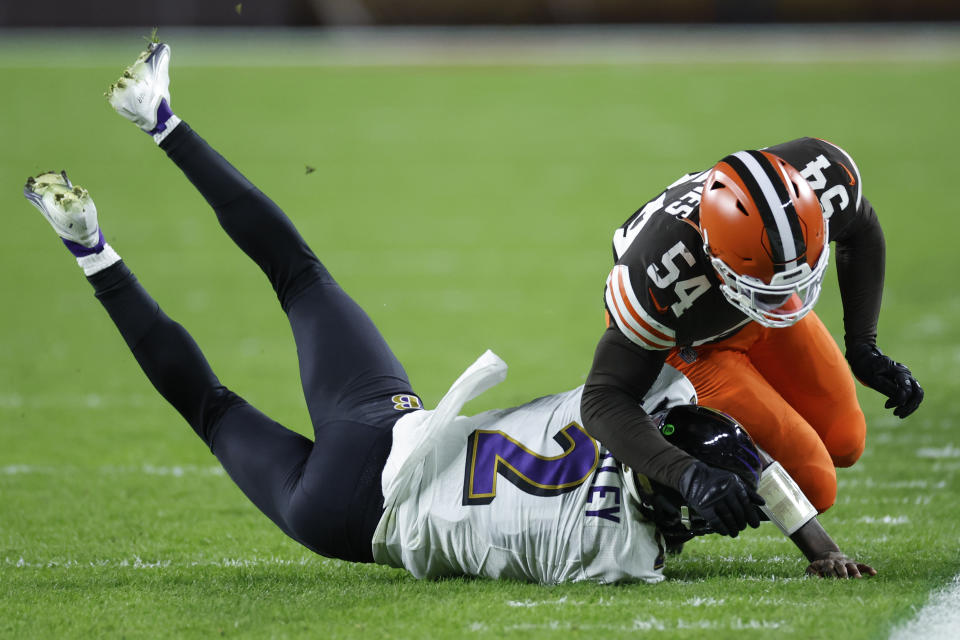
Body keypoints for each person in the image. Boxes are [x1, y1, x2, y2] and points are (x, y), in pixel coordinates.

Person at [23, 42, 874, 584]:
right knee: (210, 410)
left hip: (388, 432)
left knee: (298, 277)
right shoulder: (618, 557)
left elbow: (637, 421)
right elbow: (700, 466)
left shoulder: (634, 440)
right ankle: (91, 246)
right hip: (354, 518)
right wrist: (804, 541)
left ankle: (159, 120)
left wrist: (739, 498)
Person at [582, 136, 924, 521]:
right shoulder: (660, 278)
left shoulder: (820, 178)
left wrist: (864, 346)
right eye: (770, 283)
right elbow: (602, 398)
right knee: (815, 485)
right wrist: (687, 475)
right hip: (694, 345)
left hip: (748, 303)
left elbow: (861, 228)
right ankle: (662, 505)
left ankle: (770, 285)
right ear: (714, 258)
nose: (783, 292)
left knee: (846, 440)